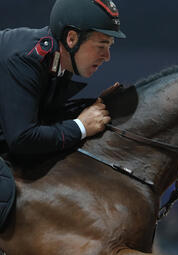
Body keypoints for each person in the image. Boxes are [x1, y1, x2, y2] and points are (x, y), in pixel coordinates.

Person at [0, 0, 126, 229]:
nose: (107, 56)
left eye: (110, 45)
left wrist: (91, 108)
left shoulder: (59, 60)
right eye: (101, 45)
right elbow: (22, 139)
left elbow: (44, 118)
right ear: (71, 39)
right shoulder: (25, 58)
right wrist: (81, 126)